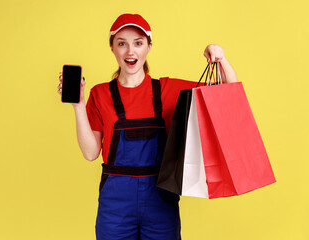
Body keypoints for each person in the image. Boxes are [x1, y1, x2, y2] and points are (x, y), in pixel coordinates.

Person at [58, 13, 238, 240]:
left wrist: (220, 57)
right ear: (112, 47)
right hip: (115, 205)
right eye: (121, 43)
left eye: (138, 43)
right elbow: (91, 152)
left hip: (160, 201)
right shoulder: (100, 94)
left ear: (149, 47)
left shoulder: (167, 90)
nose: (130, 51)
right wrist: (78, 105)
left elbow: (229, 94)